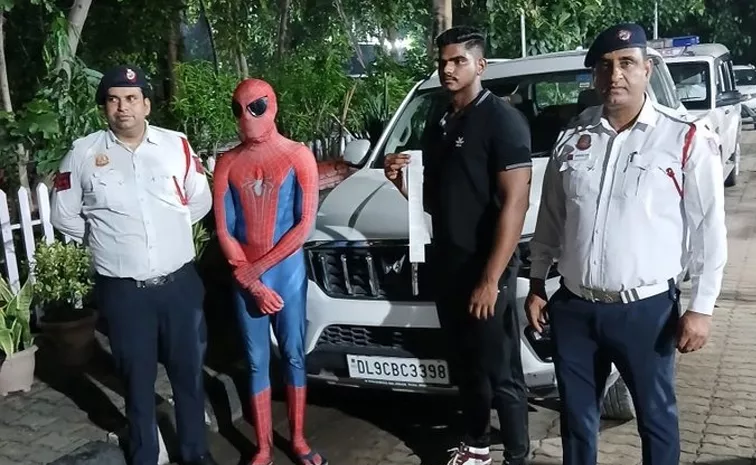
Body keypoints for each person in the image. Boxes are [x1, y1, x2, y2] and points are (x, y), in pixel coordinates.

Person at [524, 23, 727, 465]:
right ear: (594, 76)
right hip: (575, 308)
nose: (615, 74)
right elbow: (551, 218)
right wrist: (538, 281)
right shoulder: (574, 138)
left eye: (626, 63)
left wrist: (702, 307)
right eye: (605, 66)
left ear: (647, 70)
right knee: (577, 421)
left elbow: (709, 230)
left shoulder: (685, 137)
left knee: (655, 418)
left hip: (645, 310)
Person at [50, 65, 217, 465]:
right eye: (113, 99)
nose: (122, 107)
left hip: (179, 286)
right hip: (124, 293)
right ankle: (145, 454)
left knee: (189, 376)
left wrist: (165, 232)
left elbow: (199, 201)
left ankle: (195, 453)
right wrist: (109, 243)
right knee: (137, 381)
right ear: (104, 107)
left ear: (146, 104)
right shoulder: (83, 153)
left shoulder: (176, 145)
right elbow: (64, 216)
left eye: (131, 98)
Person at [384, 26, 533, 465]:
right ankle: (477, 446)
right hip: (449, 264)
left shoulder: (502, 121)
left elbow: (515, 204)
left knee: (500, 369)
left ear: (479, 65)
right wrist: (400, 183)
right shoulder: (443, 120)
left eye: (457, 61)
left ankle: (518, 456)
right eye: (442, 61)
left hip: (486, 267)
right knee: (466, 365)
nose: (447, 69)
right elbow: (437, 201)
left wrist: (490, 279)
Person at [212, 78, 326, 465]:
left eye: (255, 107)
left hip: (282, 274)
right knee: (257, 360)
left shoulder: (298, 155)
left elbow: (303, 224)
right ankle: (262, 446)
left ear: (272, 107)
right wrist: (249, 279)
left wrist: (251, 276)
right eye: (239, 109)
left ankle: (296, 438)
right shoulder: (227, 163)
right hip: (248, 277)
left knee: (294, 354)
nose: (247, 118)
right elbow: (224, 229)